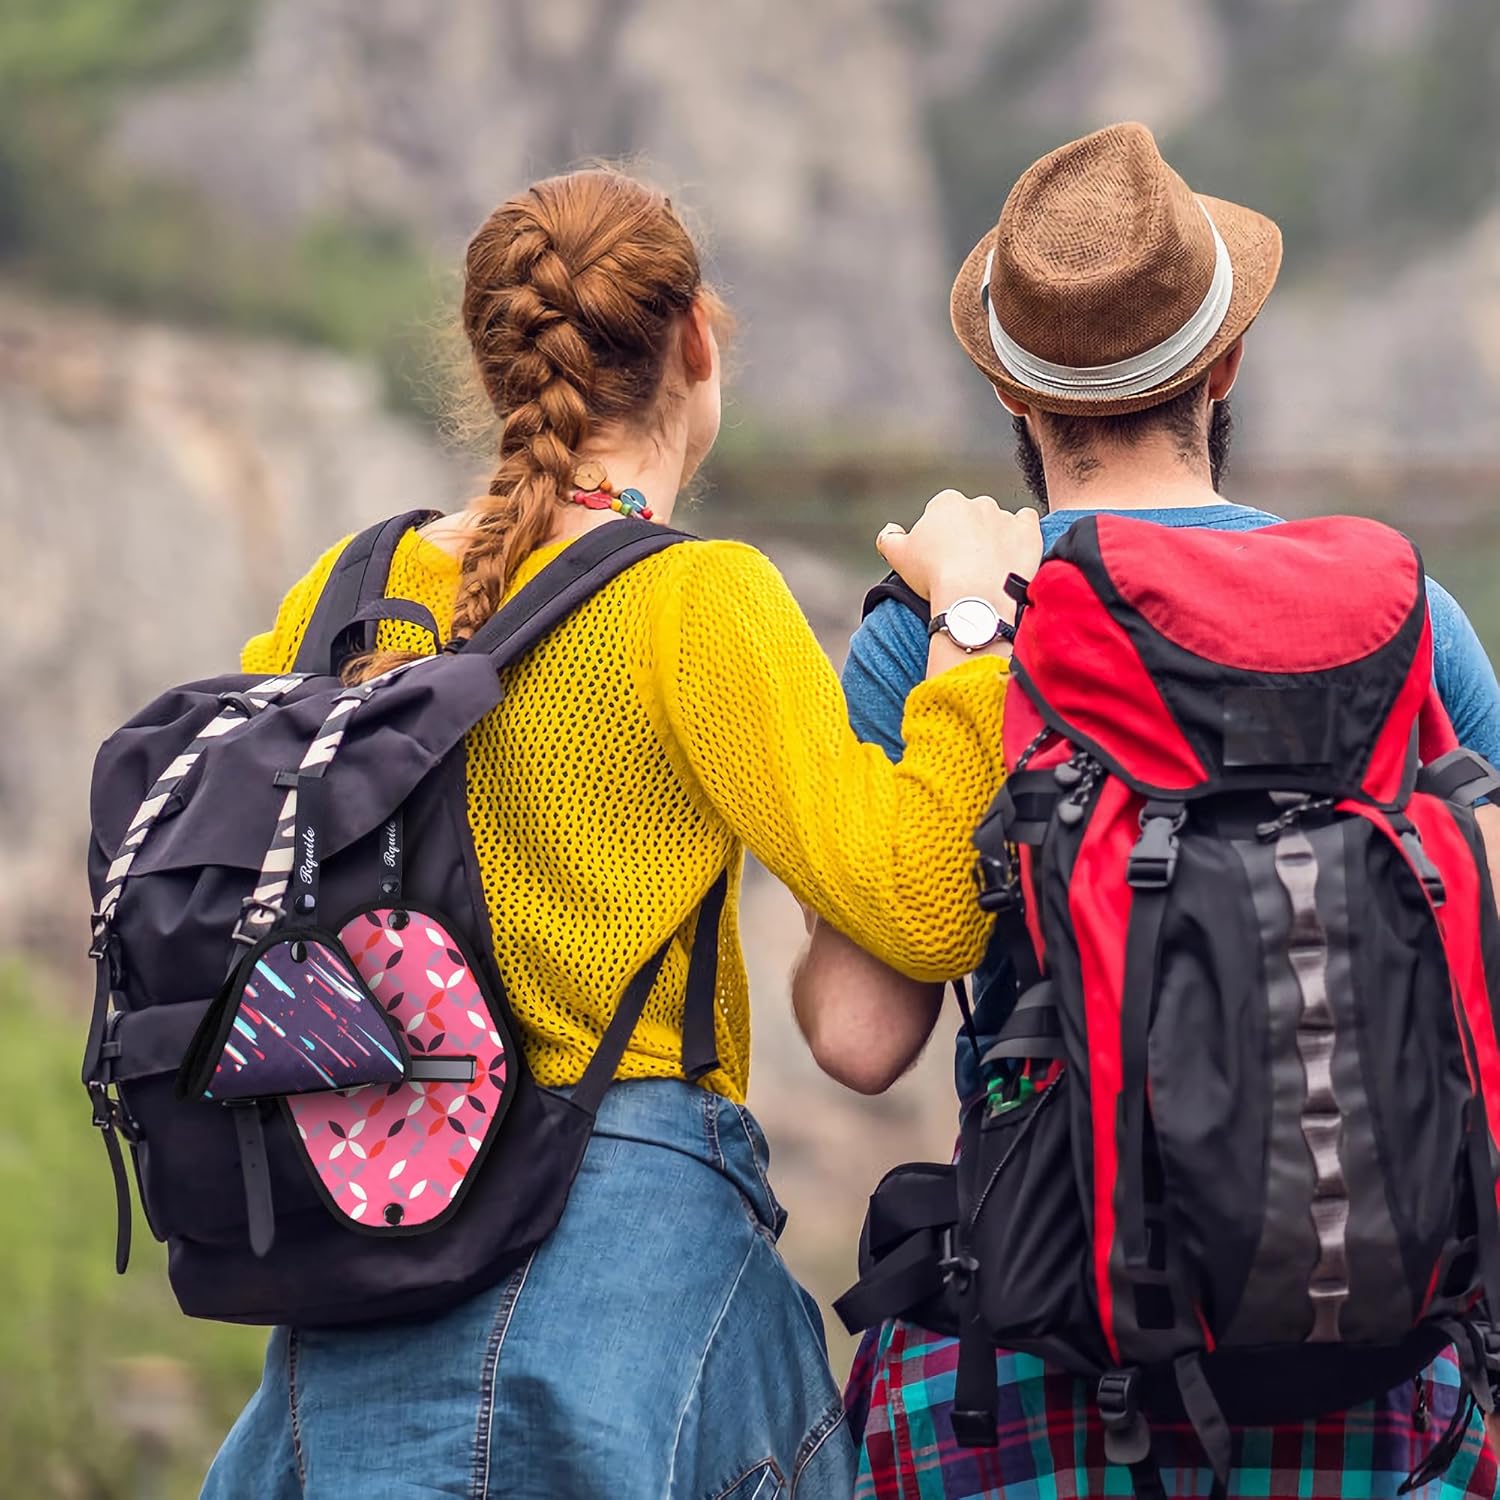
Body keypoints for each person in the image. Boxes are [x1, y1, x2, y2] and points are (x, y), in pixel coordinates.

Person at [200, 167, 1041, 1499]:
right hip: (622, 1250)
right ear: (698, 340)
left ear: (494, 365)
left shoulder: (348, 589)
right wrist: (975, 629)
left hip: (355, 1243)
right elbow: (925, 906)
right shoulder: (696, 600)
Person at [794, 123, 1500, 1499]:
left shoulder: (939, 633)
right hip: (1381, 1368)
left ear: (1009, 388)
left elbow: (860, 1039)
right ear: (1225, 364)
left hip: (1043, 1365)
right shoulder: (1404, 623)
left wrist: (958, 650)